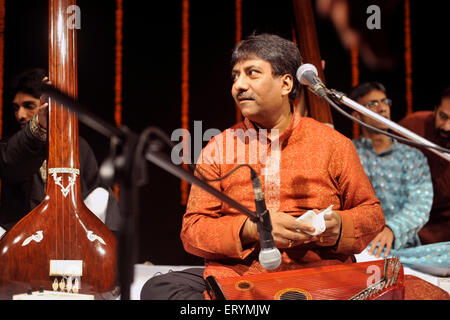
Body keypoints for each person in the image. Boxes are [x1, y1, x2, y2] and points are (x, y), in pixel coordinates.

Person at [141, 33, 387, 300]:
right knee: (158, 289)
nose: (239, 85)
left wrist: (337, 224)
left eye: (252, 73)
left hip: (316, 274)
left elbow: (372, 214)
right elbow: (193, 230)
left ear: (285, 83)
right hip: (242, 277)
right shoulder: (219, 147)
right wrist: (252, 229)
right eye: (235, 76)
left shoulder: (333, 144)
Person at [0, 68, 121, 236]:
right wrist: (38, 126)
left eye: (28, 106)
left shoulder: (79, 146)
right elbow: (12, 164)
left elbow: (99, 195)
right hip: (23, 238)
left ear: (47, 105)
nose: (20, 115)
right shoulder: (11, 145)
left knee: (101, 196)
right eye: (16, 108)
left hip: (70, 234)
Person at [349, 82, 434, 259]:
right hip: (361, 250)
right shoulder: (348, 152)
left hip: (404, 249)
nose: (382, 108)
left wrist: (392, 229)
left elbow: (420, 204)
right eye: (372, 104)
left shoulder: (412, 156)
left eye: (385, 102)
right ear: (357, 115)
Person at [398, 86, 450, 244]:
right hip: (403, 219)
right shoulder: (412, 127)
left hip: (443, 230)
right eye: (443, 116)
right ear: (435, 109)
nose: (447, 127)